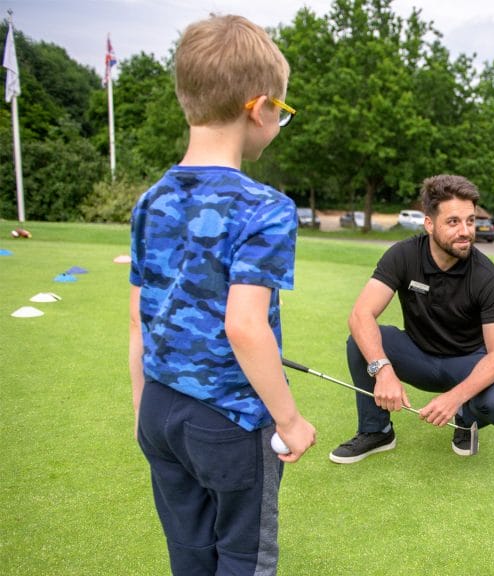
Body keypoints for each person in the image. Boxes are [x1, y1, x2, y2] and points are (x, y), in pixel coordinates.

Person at [128, 14, 316, 575]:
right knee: (243, 557)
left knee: (188, 552)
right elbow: (245, 325)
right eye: (281, 112)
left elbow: (139, 320)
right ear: (258, 109)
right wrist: (289, 420)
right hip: (229, 420)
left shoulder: (150, 201)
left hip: (160, 408)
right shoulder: (265, 209)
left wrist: (144, 410)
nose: (278, 123)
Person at [330, 174, 494, 463]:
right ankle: (376, 430)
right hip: (416, 354)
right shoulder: (403, 255)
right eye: (453, 222)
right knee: (360, 341)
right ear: (429, 223)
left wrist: (454, 398)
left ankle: (464, 418)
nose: (466, 231)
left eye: (470, 221)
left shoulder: (487, 277)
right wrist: (383, 370)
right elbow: (360, 314)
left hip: (466, 363)